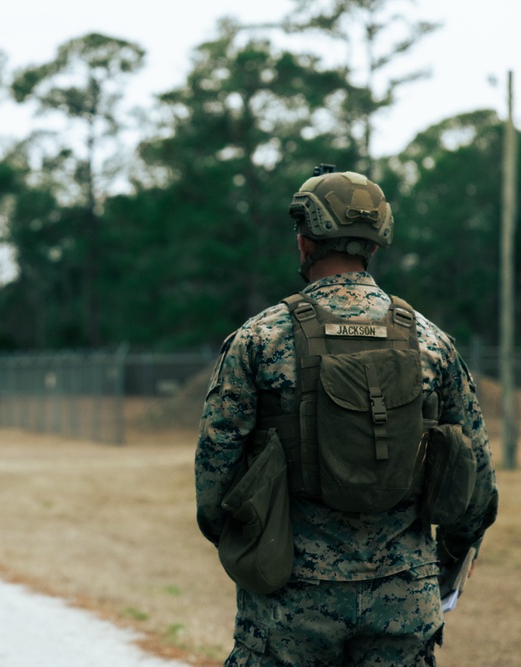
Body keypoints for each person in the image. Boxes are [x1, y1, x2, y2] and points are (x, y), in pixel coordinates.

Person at [195, 166, 499, 666]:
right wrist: (438, 566)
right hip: (404, 597)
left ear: (304, 240)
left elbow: (214, 479)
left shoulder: (261, 338)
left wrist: (253, 550)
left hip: (289, 600)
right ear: (376, 244)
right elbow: (478, 488)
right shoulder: (431, 341)